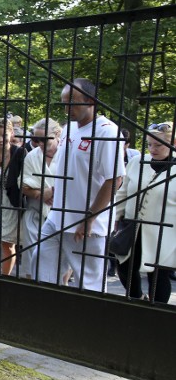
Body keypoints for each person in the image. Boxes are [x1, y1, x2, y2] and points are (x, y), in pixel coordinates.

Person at [34, 78, 125, 291]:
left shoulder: (107, 131)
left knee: (88, 281)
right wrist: (56, 190)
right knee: (41, 260)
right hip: (58, 217)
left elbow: (114, 179)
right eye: (64, 103)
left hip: (86, 222)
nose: (67, 108)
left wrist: (89, 218)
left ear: (91, 101)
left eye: (73, 103)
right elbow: (70, 168)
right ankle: (49, 312)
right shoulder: (68, 129)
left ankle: (93, 321)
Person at [113, 122, 176, 303]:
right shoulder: (137, 162)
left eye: (158, 145)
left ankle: (156, 311)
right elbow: (123, 192)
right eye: (149, 144)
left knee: (158, 276)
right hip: (132, 228)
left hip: (165, 233)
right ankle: (137, 300)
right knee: (124, 266)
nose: (152, 149)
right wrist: (116, 217)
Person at [18, 118, 61, 279]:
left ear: (57, 134)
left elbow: (76, 181)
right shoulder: (32, 156)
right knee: (33, 261)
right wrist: (40, 194)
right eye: (36, 140)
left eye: (44, 139)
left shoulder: (68, 154)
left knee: (59, 265)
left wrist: (54, 190)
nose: (40, 143)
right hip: (35, 215)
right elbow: (22, 183)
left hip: (61, 215)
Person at [0, 118, 27, 275]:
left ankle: (4, 278)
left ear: (11, 134)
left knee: (7, 244)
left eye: (3, 135)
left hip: (11, 202)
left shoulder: (19, 153)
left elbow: (26, 176)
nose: (0, 139)